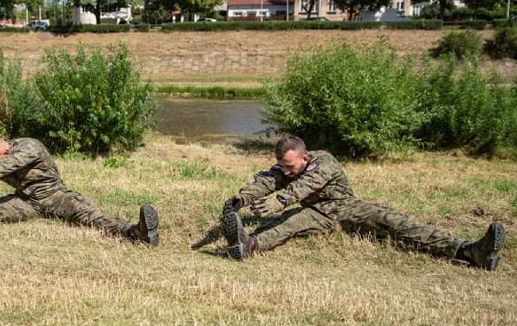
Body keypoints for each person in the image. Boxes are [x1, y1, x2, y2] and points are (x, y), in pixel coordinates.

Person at [200, 135, 506, 270]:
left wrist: (281, 199)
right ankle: (246, 245)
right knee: (289, 224)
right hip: (316, 212)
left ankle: (469, 251)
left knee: (397, 223)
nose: (286, 170)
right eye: (282, 165)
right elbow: (267, 179)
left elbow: (307, 184)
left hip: (346, 206)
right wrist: (242, 198)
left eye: (290, 165)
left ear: (305, 157)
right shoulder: (285, 168)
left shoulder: (324, 161)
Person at [0, 135, 159, 246]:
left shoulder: (29, 147)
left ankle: (138, 233)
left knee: (90, 217)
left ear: (5, 151)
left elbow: (5, 166)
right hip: (25, 201)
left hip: (54, 197)